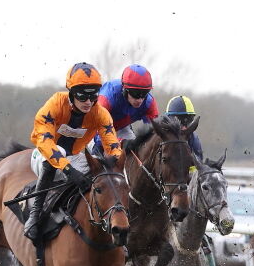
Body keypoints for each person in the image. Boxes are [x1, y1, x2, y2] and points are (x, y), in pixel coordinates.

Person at [25, 62, 122, 242]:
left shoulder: (100, 114)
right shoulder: (55, 104)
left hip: (75, 157)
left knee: (101, 167)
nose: (88, 102)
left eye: (93, 96)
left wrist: (117, 162)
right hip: (43, 154)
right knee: (58, 150)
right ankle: (35, 214)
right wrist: (69, 170)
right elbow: (45, 143)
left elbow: (113, 145)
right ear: (70, 92)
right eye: (82, 96)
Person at [92, 64, 159, 151]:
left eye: (145, 93)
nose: (140, 100)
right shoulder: (107, 98)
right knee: (103, 155)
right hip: (94, 128)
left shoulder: (149, 103)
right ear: (124, 89)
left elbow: (155, 133)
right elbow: (99, 135)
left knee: (136, 153)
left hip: (122, 128)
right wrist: (122, 142)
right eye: (135, 93)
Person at [165, 94, 204, 161]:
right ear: (170, 119)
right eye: (181, 123)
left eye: (188, 122)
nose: (184, 128)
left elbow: (199, 162)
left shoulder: (193, 138)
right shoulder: (159, 134)